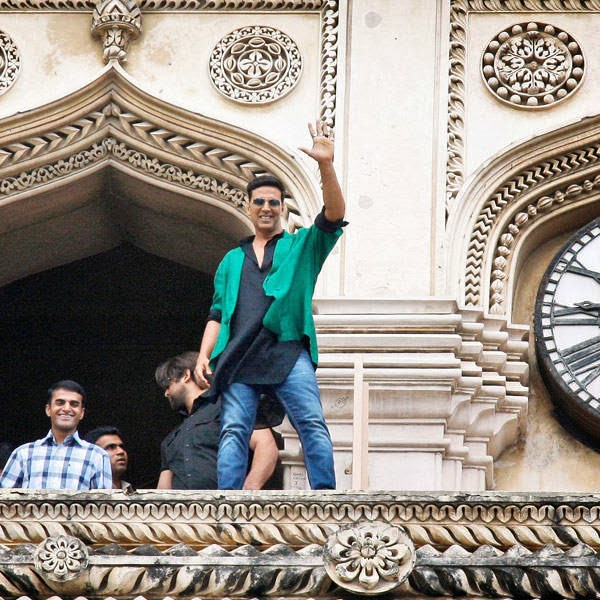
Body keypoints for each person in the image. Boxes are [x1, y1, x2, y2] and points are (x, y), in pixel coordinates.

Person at [194, 120, 346, 490]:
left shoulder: (300, 246)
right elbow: (217, 313)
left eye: (273, 203)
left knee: (310, 421)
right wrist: (203, 355)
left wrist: (326, 165)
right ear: (248, 206)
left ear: (282, 208)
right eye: (259, 201)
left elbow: (334, 216)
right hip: (238, 353)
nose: (266, 208)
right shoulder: (232, 259)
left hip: (286, 349)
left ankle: (326, 496)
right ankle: (227, 505)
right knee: (234, 428)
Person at [155, 351, 280, 490]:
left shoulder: (229, 406)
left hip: (226, 507)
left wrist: (248, 491)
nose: (166, 393)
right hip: (183, 510)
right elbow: (163, 489)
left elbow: (265, 445)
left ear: (185, 376)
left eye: (168, 385)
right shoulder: (171, 438)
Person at [0, 380, 112, 490]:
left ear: (82, 413)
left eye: (74, 404)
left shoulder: (97, 456)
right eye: (60, 403)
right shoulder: (23, 454)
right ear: (48, 409)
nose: (67, 409)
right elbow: (4, 502)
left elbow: (104, 506)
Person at [84, 426, 133, 492]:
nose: (121, 451)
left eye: (122, 447)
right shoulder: (84, 489)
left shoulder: (129, 490)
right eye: (111, 447)